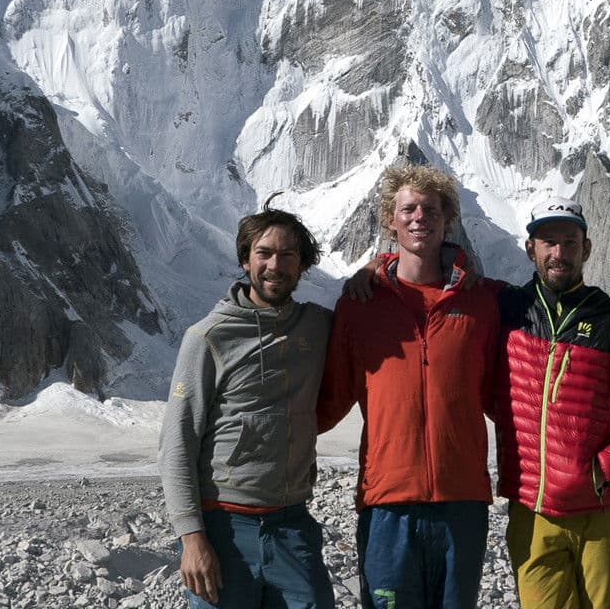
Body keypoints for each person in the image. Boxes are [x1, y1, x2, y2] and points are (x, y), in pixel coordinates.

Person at [316, 162, 504, 609]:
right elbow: (332, 397)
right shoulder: (359, 304)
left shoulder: (484, 301)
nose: (420, 217)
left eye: (431, 209)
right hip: (388, 501)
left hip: (463, 501)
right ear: (389, 220)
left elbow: (508, 390)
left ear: (447, 219)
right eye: (409, 209)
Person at [496, 198, 610, 609]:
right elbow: (452, 290)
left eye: (570, 243)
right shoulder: (507, 310)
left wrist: (604, 468)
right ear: (530, 248)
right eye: (548, 242)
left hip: (599, 513)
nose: (559, 253)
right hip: (531, 509)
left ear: (587, 249)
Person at [159, 200, 336, 608]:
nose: (275, 265)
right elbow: (177, 442)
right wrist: (191, 538)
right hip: (224, 528)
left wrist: (376, 272)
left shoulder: (317, 326)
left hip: (292, 524)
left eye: (288, 255)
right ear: (245, 260)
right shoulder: (208, 337)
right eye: (264, 253)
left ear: (303, 266)